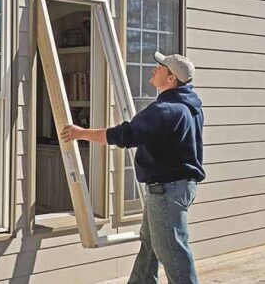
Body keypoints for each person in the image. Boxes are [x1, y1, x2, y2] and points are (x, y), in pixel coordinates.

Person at [60, 52, 205, 284]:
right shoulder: (188, 106)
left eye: (159, 68)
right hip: (173, 187)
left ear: (171, 79)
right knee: (150, 244)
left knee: (172, 250)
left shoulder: (168, 110)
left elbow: (124, 135)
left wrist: (80, 133)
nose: (153, 70)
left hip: (167, 190)